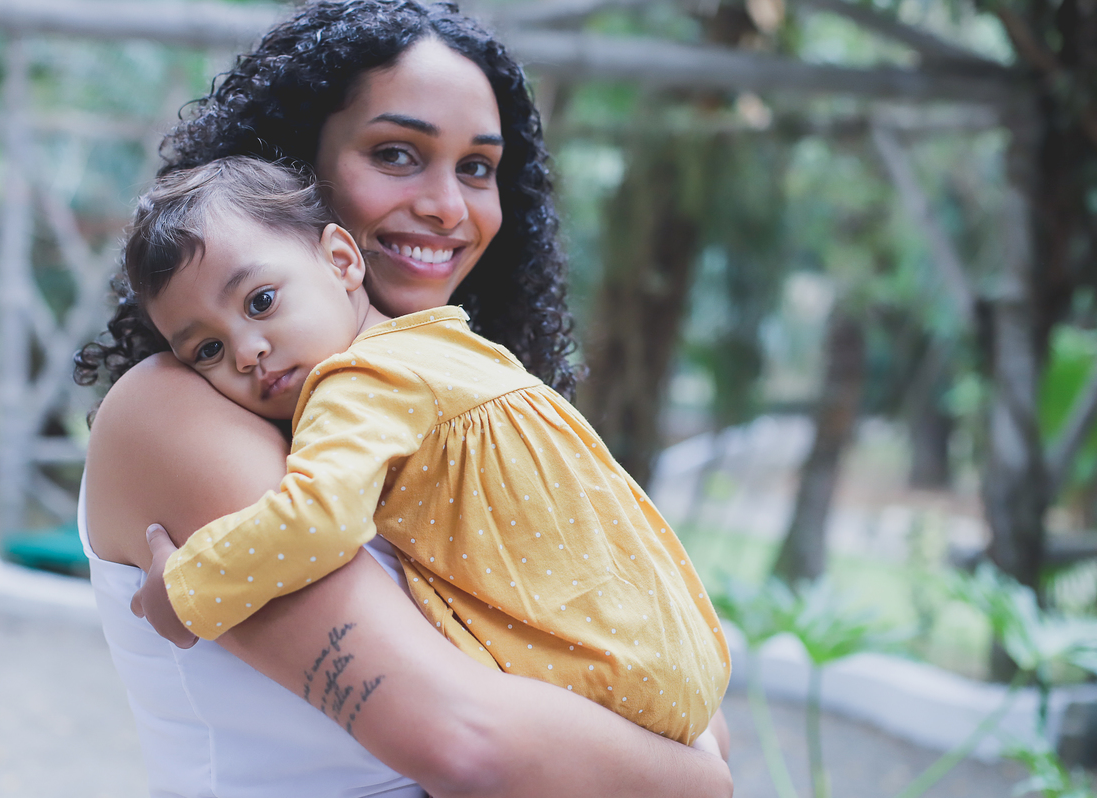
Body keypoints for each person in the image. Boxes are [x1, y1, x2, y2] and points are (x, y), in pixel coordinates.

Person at [76, 1, 732, 795]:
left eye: (477, 168)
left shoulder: (441, 388)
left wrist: (683, 758)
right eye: (395, 153)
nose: (448, 207)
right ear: (297, 163)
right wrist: (701, 781)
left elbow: (642, 671)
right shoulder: (177, 410)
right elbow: (467, 745)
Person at [123, 156, 730, 745]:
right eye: (207, 350)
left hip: (589, 683)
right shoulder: (453, 347)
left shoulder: (358, 381)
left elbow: (319, 518)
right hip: (670, 663)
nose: (246, 352)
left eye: (260, 301)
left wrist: (185, 590)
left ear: (341, 261)